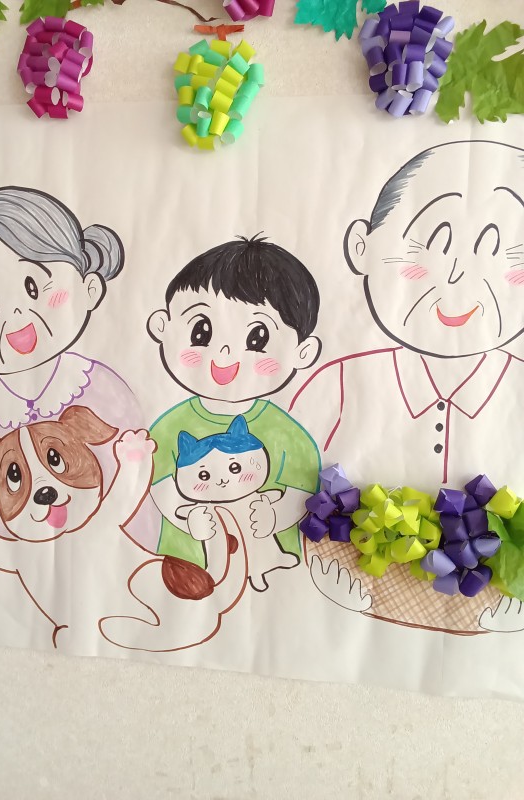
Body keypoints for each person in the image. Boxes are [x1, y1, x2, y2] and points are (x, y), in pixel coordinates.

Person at [0, 186, 156, 548]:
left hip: (115, 556)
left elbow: (137, 482)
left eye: (33, 287)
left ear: (89, 288)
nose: (17, 314)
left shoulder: (100, 387)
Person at [291, 140, 524, 491]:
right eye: (432, 247)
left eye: (498, 256)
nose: (458, 277)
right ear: (361, 248)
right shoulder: (336, 385)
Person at [147, 235, 322, 575]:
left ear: (303, 353)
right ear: (163, 328)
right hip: (187, 566)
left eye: (257, 339)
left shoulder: (285, 431)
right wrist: (186, 517)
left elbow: (303, 489)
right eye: (201, 332)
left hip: (273, 567)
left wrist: (275, 516)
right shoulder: (170, 426)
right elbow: (159, 484)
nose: (225, 354)